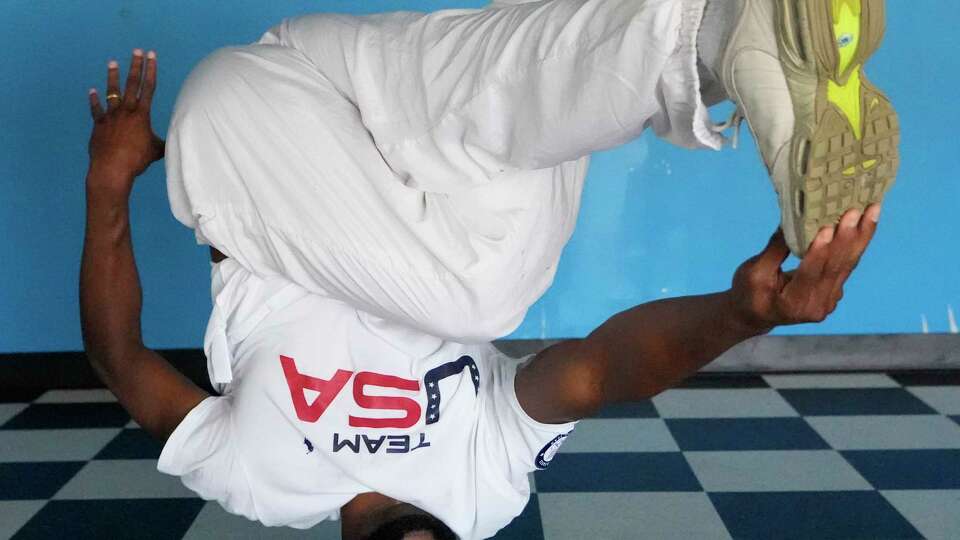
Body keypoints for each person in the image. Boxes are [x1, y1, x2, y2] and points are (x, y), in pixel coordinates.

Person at [80, 0, 892, 538]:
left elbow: (120, 360)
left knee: (490, 288)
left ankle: (717, 43)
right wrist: (739, 319)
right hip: (424, 122)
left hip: (265, 130)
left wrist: (108, 187)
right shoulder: (482, 494)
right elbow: (595, 372)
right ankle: (722, 40)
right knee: (519, 168)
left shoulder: (264, 482)